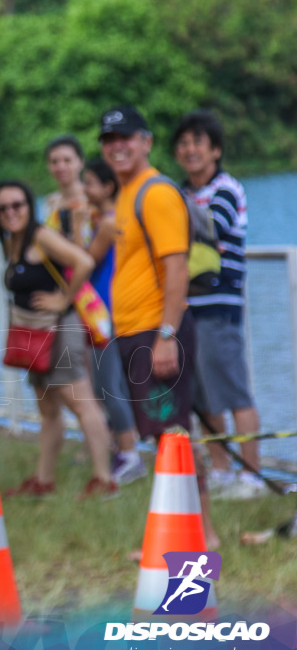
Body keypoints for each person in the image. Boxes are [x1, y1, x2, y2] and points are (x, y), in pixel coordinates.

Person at [98, 105, 219, 549]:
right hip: (137, 335)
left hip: (157, 334)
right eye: (109, 140)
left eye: (126, 137)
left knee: (175, 437)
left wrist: (166, 336)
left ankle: (201, 537)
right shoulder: (127, 193)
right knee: (165, 437)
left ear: (146, 141)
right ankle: (185, 534)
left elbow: (176, 268)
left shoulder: (155, 192)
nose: (118, 146)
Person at [0, 180, 117, 500]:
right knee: (48, 409)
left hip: (60, 331)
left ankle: (104, 480)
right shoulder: (14, 242)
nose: (11, 212)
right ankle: (43, 479)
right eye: (3, 208)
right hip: (34, 337)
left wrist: (63, 300)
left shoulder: (40, 236)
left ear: (29, 207)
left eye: (17, 205)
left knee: (82, 404)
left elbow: (84, 262)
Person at [172, 110, 266, 499]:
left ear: (216, 150)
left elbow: (211, 226)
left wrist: (167, 211)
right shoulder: (182, 192)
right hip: (187, 306)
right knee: (202, 394)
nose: (190, 150)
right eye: (183, 143)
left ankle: (253, 476)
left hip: (219, 305)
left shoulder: (226, 188)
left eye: (198, 142)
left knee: (233, 389)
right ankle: (223, 471)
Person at [80, 158, 145, 486]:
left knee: (108, 387)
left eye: (89, 182)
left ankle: (130, 454)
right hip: (100, 313)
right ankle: (122, 450)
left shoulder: (107, 222)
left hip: (105, 314)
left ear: (107, 187)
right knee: (103, 386)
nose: (84, 189)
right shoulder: (104, 218)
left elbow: (84, 260)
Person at [43, 135, 91, 246]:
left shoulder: (92, 199)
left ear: (80, 162)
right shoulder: (50, 202)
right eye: (54, 162)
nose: (61, 167)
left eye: (67, 160)